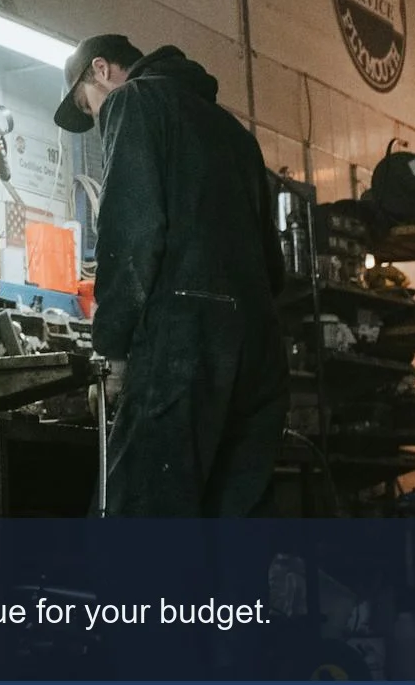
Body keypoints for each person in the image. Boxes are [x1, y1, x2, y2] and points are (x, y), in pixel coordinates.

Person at [54, 34, 289, 516]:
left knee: (144, 527)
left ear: (102, 71)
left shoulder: (134, 101)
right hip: (259, 351)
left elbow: (130, 231)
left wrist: (113, 347)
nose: (98, 119)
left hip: (183, 345)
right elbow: (273, 267)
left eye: (89, 106)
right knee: (235, 542)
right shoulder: (237, 134)